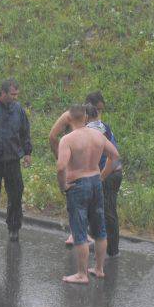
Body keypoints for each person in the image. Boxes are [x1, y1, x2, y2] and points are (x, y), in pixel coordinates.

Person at [57, 104, 120, 284]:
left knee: (79, 230)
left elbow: (61, 166)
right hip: (95, 181)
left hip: (77, 184)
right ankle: (99, 269)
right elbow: (115, 156)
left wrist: (63, 186)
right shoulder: (97, 135)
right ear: (85, 118)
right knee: (100, 228)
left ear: (69, 119)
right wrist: (101, 176)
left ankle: (82, 274)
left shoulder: (68, 140)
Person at [0, 78, 32, 242]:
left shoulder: (18, 109)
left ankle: (14, 228)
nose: (15, 97)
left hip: (12, 160)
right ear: (3, 93)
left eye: (17, 94)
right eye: (13, 94)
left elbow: (25, 131)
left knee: (15, 195)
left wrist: (27, 152)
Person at [85, 92, 123, 257]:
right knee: (97, 211)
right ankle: (101, 243)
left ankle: (112, 250)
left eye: (101, 111)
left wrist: (101, 178)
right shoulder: (93, 127)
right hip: (103, 173)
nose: (100, 115)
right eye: (97, 110)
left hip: (110, 174)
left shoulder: (100, 128)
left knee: (108, 213)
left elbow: (113, 158)